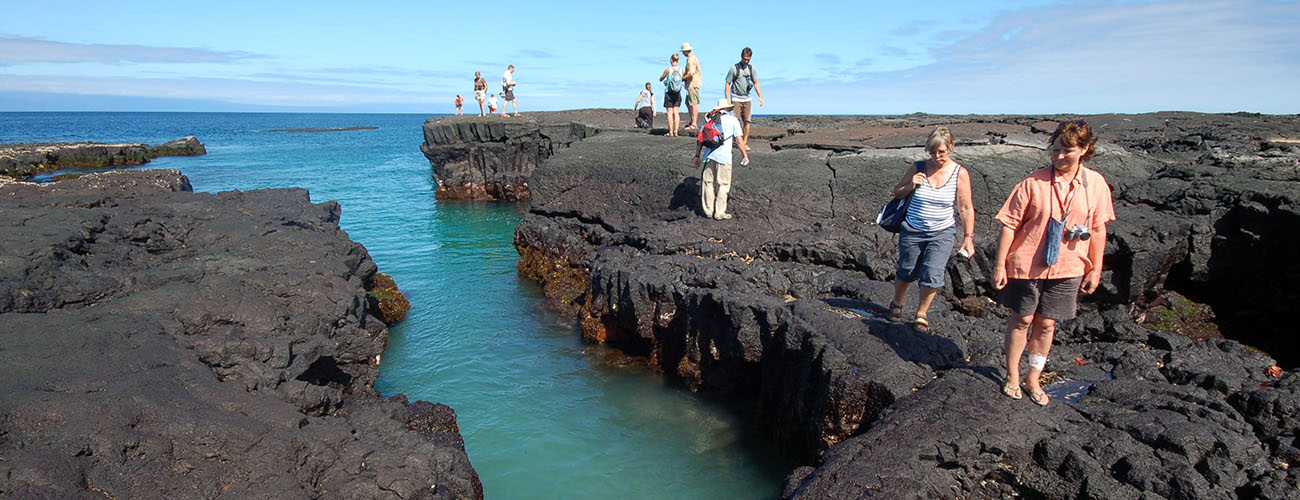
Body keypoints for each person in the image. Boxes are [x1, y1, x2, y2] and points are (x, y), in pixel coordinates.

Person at [993, 120, 1115, 406]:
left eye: (1067, 151)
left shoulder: (1095, 184)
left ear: (1084, 150)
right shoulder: (1032, 183)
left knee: (1047, 323)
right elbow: (1009, 224)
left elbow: (1098, 229)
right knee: (1022, 319)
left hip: (1070, 265)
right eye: (1055, 150)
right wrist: (1000, 266)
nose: (1059, 156)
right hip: (1027, 264)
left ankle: (1033, 378)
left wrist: (1095, 268)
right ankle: (1012, 374)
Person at [886, 127, 975, 334]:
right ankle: (897, 303)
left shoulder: (960, 173)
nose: (937, 156)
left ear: (951, 147)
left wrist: (969, 238)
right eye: (933, 152)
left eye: (942, 152)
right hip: (913, 229)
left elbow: (965, 207)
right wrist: (911, 185)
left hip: (942, 232)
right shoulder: (918, 167)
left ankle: (921, 314)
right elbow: (897, 192)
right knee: (906, 270)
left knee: (933, 274)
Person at [692, 99, 749, 220]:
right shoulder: (733, 120)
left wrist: (697, 156)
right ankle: (719, 212)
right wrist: (745, 155)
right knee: (723, 184)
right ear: (728, 109)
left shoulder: (710, 119)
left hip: (709, 156)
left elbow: (700, 139)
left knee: (708, 183)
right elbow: (739, 141)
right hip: (724, 157)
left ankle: (708, 210)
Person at [723, 47, 764, 150]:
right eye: (744, 59)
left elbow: (756, 83)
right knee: (735, 121)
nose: (746, 61)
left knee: (747, 121)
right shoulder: (734, 68)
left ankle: (744, 142)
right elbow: (728, 83)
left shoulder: (751, 69)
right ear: (741, 57)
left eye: (748, 59)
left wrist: (760, 96)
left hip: (747, 98)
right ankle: (738, 141)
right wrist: (727, 99)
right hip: (736, 98)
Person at [658, 53, 685, 136]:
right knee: (676, 112)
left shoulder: (668, 70)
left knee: (670, 112)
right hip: (677, 93)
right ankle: (676, 132)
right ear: (678, 60)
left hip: (669, 93)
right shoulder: (681, 70)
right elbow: (683, 79)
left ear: (671, 60)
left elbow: (661, 78)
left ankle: (670, 132)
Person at [681, 43, 703, 131]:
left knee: (693, 103)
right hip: (692, 84)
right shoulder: (693, 58)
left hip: (693, 84)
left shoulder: (691, 60)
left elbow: (691, 73)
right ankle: (692, 121)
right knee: (688, 102)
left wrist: (682, 78)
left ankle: (694, 123)